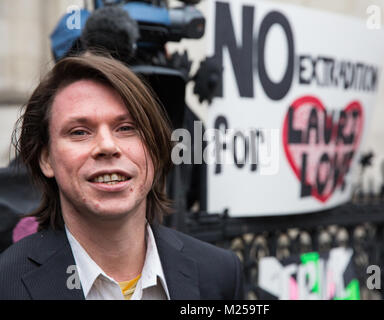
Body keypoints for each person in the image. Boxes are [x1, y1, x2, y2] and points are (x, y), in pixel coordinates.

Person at [0, 54, 244, 300]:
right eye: (79, 132)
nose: (107, 145)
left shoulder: (219, 274)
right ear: (46, 159)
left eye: (126, 128)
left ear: (156, 149)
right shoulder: (7, 283)